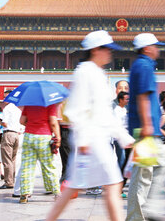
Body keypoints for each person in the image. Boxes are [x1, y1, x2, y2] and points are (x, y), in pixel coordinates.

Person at [46, 30, 134, 221]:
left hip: (97, 139)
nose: (110, 53)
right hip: (91, 141)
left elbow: (104, 113)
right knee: (112, 184)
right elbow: (76, 109)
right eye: (107, 48)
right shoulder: (84, 72)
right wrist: (85, 139)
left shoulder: (98, 73)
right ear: (95, 50)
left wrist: (123, 136)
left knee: (75, 186)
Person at [126, 33, 165, 221]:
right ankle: (138, 216)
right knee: (144, 173)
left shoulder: (143, 65)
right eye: (155, 45)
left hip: (148, 131)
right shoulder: (143, 66)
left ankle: (150, 209)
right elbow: (143, 97)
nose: (158, 49)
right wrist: (148, 125)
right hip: (146, 132)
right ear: (146, 48)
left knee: (158, 166)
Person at [18, 103, 62, 203]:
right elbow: (53, 123)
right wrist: (58, 137)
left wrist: (31, 124)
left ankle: (24, 195)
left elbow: (21, 121)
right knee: (49, 166)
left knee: (27, 166)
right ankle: (57, 193)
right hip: (44, 137)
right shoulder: (50, 105)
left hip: (29, 136)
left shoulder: (29, 105)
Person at [0, 90, 22, 190]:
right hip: (16, 134)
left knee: (7, 159)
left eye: (5, 97)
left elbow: (5, 123)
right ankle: (12, 180)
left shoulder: (7, 109)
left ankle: (8, 182)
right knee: (13, 159)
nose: (4, 99)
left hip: (8, 134)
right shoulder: (17, 109)